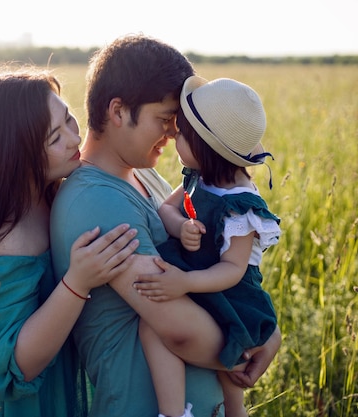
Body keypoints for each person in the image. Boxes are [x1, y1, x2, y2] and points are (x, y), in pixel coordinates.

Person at [50, 34, 281, 417]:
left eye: (179, 122)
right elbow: (179, 327)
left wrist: (267, 332)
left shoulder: (146, 178)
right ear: (119, 111)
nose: (175, 132)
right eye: (165, 118)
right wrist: (253, 339)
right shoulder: (96, 201)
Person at [0, 68, 141, 417]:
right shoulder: (8, 239)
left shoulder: (48, 193)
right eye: (54, 137)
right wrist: (78, 282)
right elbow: (11, 364)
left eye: (69, 118)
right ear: (15, 158)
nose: (72, 138)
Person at [134, 76, 281, 417]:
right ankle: (173, 412)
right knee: (153, 329)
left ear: (205, 146)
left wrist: (184, 283)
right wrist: (181, 226)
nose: (173, 136)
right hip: (197, 277)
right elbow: (167, 209)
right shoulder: (199, 177)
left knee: (231, 379)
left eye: (182, 133)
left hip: (231, 294)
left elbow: (233, 269)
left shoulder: (241, 205)